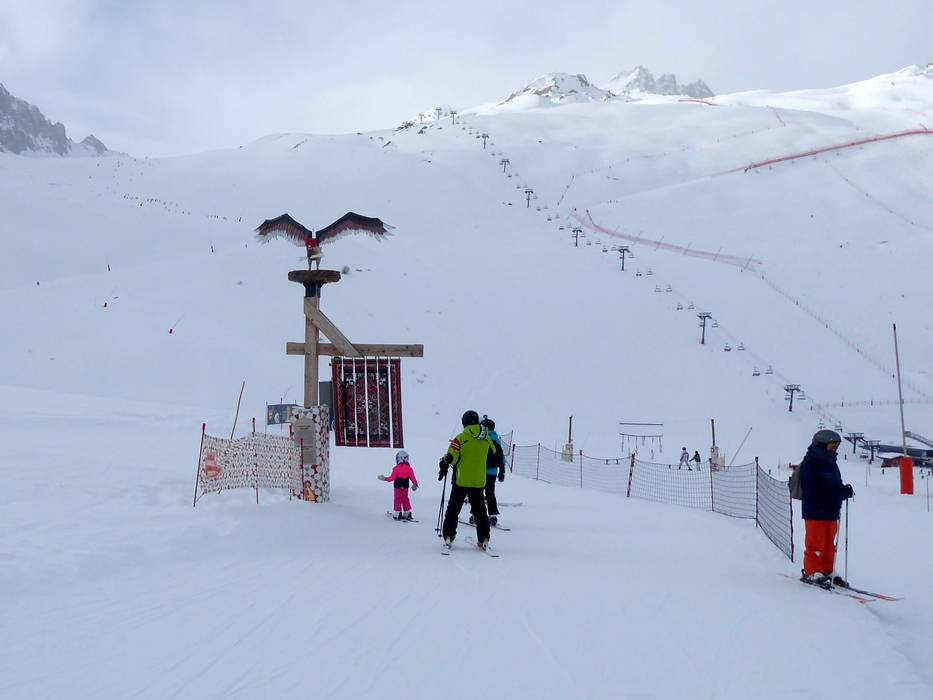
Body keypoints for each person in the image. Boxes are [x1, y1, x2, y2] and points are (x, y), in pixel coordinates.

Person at [799, 429, 854, 587]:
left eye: (836, 446)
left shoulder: (831, 463)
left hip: (831, 510)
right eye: (832, 446)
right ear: (821, 445)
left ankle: (827, 570)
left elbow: (834, 485)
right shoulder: (810, 463)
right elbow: (814, 490)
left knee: (829, 544)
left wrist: (843, 490)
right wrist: (839, 493)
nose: (834, 450)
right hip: (816, 510)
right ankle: (813, 571)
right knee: (816, 544)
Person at [439, 410, 497, 549]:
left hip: (461, 481)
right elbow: (493, 453)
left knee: (453, 510)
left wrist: (444, 463)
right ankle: (483, 539)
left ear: (464, 422)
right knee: (480, 511)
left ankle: (448, 536)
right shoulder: (486, 438)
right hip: (478, 481)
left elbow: (451, 458)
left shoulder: (460, 438)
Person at [469, 415, 506, 527]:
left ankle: (475, 514)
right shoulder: (497, 440)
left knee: (478, 493)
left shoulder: (483, 438)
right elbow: (502, 457)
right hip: (493, 473)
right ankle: (493, 515)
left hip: (481, 471)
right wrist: (502, 471)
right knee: (490, 493)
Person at [378, 450, 418, 520]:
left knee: (397, 499)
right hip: (405, 487)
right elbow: (413, 477)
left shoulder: (396, 468)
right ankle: (407, 512)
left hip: (397, 487)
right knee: (405, 498)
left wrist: (385, 478)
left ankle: (397, 513)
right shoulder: (409, 469)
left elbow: (392, 478)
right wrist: (415, 484)